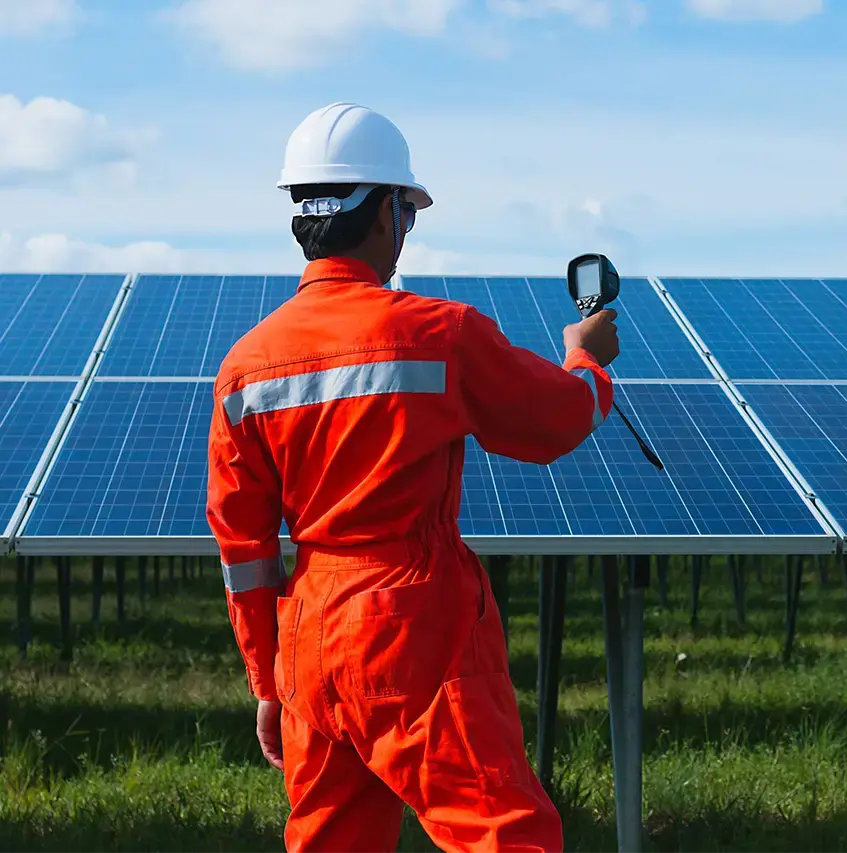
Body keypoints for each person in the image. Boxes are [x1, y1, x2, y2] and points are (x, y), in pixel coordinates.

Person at [206, 102, 620, 853]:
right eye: (409, 211)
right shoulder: (439, 332)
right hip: (409, 621)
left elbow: (243, 551)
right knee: (503, 833)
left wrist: (268, 679)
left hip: (308, 634)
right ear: (389, 212)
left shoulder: (245, 367)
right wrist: (587, 357)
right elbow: (558, 419)